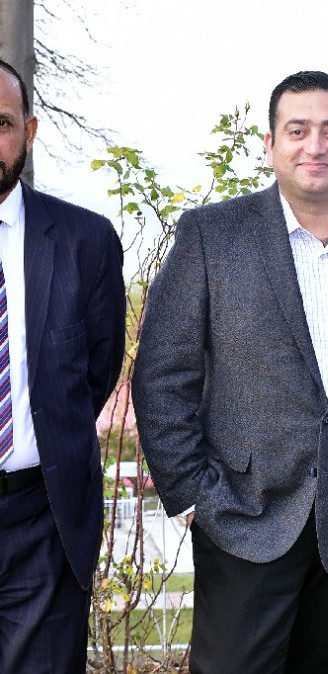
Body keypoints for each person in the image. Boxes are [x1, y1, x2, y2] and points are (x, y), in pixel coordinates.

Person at [133, 70, 328, 674]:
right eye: (297, 130)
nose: (315, 146)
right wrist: (191, 496)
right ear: (269, 144)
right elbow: (162, 374)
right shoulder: (211, 236)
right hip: (240, 516)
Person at [0, 60, 126, 672]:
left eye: (1, 123)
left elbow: (94, 373)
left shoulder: (85, 240)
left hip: (41, 517)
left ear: (29, 131)